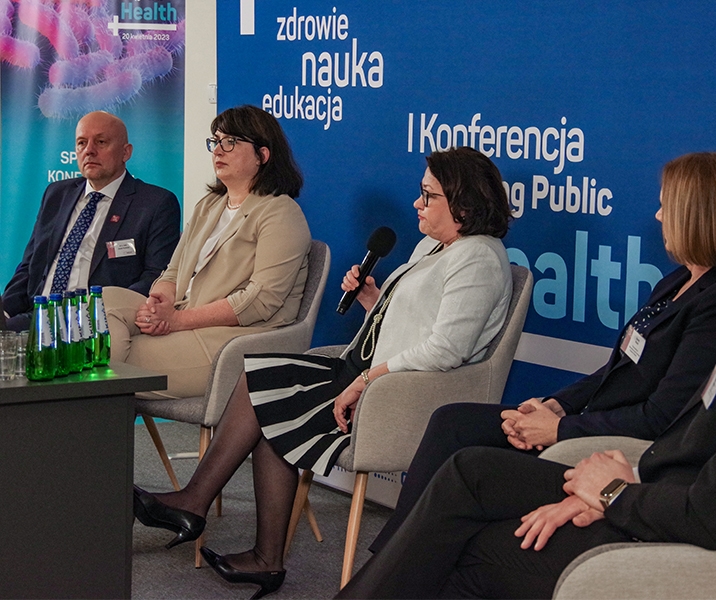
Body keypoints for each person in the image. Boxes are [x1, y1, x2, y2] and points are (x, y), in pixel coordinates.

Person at [336, 102, 716, 600]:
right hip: (666, 496)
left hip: (712, 556)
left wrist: (610, 492)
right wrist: (624, 474)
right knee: (470, 474)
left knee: (474, 546)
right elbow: (709, 441)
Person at [133, 146, 514, 598]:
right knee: (262, 386)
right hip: (363, 370)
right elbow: (415, 324)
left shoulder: (480, 260)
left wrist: (367, 380)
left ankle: (209, 516)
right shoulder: (434, 245)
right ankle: (256, 552)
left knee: (265, 391)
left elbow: (447, 350)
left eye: (428, 196)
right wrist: (375, 300)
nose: (417, 203)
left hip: (394, 391)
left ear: (465, 206)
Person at [370, 151, 716, 553]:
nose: (658, 217)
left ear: (696, 214)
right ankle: (393, 551)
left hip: (614, 449)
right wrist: (555, 405)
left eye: (666, 206)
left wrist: (559, 430)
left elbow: (663, 417)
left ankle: (395, 558)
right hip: (586, 422)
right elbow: (616, 370)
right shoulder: (679, 280)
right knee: (454, 421)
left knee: (469, 467)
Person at [104, 105, 310, 399]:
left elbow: (261, 300)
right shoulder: (209, 206)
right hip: (184, 319)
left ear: (262, 155)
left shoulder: (280, 213)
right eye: (216, 141)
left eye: (231, 142)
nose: (218, 151)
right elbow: (173, 271)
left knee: (103, 360)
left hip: (230, 341)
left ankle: (96, 426)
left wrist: (176, 321)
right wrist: (158, 302)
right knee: (102, 301)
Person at [1, 111, 180, 331]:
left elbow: (155, 277)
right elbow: (30, 267)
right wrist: (5, 311)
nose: (89, 151)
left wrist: (97, 312)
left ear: (126, 152)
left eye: (101, 142)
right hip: (38, 315)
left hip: (94, 322)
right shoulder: (56, 194)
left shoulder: (155, 203)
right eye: (82, 143)